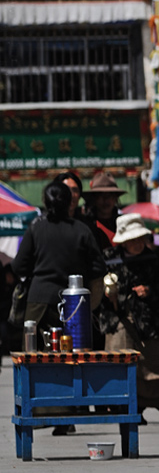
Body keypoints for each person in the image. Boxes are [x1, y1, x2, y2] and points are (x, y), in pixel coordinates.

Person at [11, 181, 107, 435]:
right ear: (69, 202)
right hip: (73, 304)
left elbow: (19, 266)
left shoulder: (36, 228)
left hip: (39, 302)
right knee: (70, 358)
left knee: (36, 358)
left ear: (46, 201)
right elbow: (99, 267)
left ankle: (37, 413)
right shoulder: (81, 230)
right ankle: (67, 415)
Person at [95, 213, 159, 418]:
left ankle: (139, 407)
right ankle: (118, 405)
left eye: (140, 239)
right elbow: (97, 289)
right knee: (118, 362)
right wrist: (109, 293)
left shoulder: (153, 258)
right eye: (132, 240)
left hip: (148, 321)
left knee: (148, 364)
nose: (137, 244)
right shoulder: (109, 258)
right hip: (118, 319)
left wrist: (149, 290)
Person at [82, 172, 125, 250]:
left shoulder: (124, 224)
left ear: (115, 198)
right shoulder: (85, 226)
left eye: (109, 195)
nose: (105, 200)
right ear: (94, 199)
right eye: (100, 195)